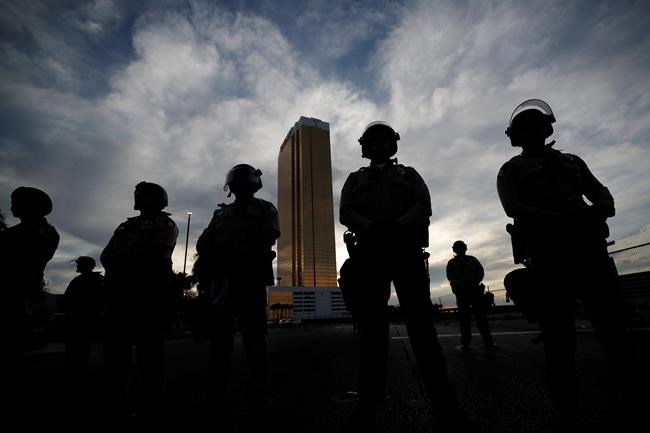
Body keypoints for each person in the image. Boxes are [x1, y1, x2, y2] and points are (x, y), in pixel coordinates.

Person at [497, 99, 638, 431]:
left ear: (547, 129)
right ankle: (567, 409)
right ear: (517, 136)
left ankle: (631, 393)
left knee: (614, 329)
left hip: (589, 251)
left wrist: (599, 208)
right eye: (525, 128)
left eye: (537, 125)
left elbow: (599, 190)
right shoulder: (511, 169)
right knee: (559, 338)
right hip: (549, 257)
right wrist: (558, 220)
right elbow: (513, 206)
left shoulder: (572, 161)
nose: (533, 132)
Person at [340, 121, 480, 432]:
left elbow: (424, 205)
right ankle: (366, 410)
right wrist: (370, 228)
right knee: (372, 334)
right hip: (371, 254)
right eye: (372, 139)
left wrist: (399, 225)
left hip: (406, 251)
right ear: (364, 146)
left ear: (393, 145)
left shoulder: (409, 174)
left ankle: (447, 408)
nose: (378, 144)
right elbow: (345, 212)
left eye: (384, 139)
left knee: (423, 331)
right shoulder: (354, 178)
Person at [193, 164, 280, 422]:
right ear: (230, 188)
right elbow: (204, 242)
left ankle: (259, 391)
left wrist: (237, 254)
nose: (240, 187)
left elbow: (269, 236)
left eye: (245, 183)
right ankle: (216, 394)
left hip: (250, 277)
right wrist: (212, 263)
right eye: (236, 184)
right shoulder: (221, 214)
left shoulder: (265, 208)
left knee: (255, 337)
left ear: (254, 186)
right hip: (221, 280)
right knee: (220, 341)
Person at [100, 181, 178, 418]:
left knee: (150, 354)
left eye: (141, 195)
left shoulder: (165, 223)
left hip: (149, 295)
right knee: (115, 354)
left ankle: (151, 406)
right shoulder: (126, 226)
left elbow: (156, 254)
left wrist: (125, 263)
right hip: (119, 294)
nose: (137, 198)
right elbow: (107, 255)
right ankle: (117, 403)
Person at [0, 187, 59, 417]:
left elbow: (23, 261)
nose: (12, 206)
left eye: (17, 202)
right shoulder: (17, 232)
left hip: (16, 296)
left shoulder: (43, 232)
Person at [62, 256, 105, 405]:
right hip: (79, 318)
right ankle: (77, 372)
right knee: (78, 346)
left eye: (79, 264)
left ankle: (77, 374)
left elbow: (69, 299)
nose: (77, 266)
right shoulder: (94, 280)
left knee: (79, 346)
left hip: (82, 319)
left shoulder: (87, 281)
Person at [446, 241, 496, 351]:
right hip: (461, 292)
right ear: (454, 250)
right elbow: (450, 276)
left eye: (462, 248)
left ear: (465, 249)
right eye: (458, 248)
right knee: (464, 319)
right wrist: (459, 282)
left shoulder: (472, 260)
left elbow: (480, 272)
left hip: (475, 291)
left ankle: (488, 342)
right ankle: (466, 343)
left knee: (481, 318)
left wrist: (475, 281)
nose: (460, 250)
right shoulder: (452, 263)